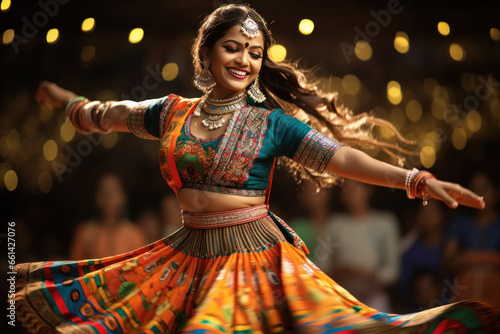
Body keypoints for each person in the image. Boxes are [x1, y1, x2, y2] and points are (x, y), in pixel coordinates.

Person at [11, 4, 500, 333]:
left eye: (254, 52)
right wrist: (68, 102)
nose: (244, 59)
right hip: (186, 254)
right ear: (207, 51)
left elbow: (343, 158)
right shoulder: (172, 111)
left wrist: (416, 180)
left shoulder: (271, 124)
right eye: (232, 47)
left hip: (251, 258)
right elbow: (108, 114)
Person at [323, 179, 400, 313]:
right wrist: (340, 271)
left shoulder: (385, 223)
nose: (351, 194)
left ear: (368, 190)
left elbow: (392, 271)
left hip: (375, 299)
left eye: (356, 188)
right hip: (343, 300)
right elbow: (322, 266)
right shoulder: (335, 225)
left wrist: (368, 275)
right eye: (346, 189)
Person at [443, 171, 500, 306]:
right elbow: (448, 260)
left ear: (497, 192)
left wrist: (470, 261)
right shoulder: (460, 223)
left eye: (484, 188)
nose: (479, 195)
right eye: (474, 190)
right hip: (465, 296)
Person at [69, 173, 148, 259]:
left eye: (113, 191)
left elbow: (142, 265)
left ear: (123, 197)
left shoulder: (134, 233)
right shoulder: (85, 232)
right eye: (104, 192)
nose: (109, 197)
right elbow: (76, 267)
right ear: (97, 197)